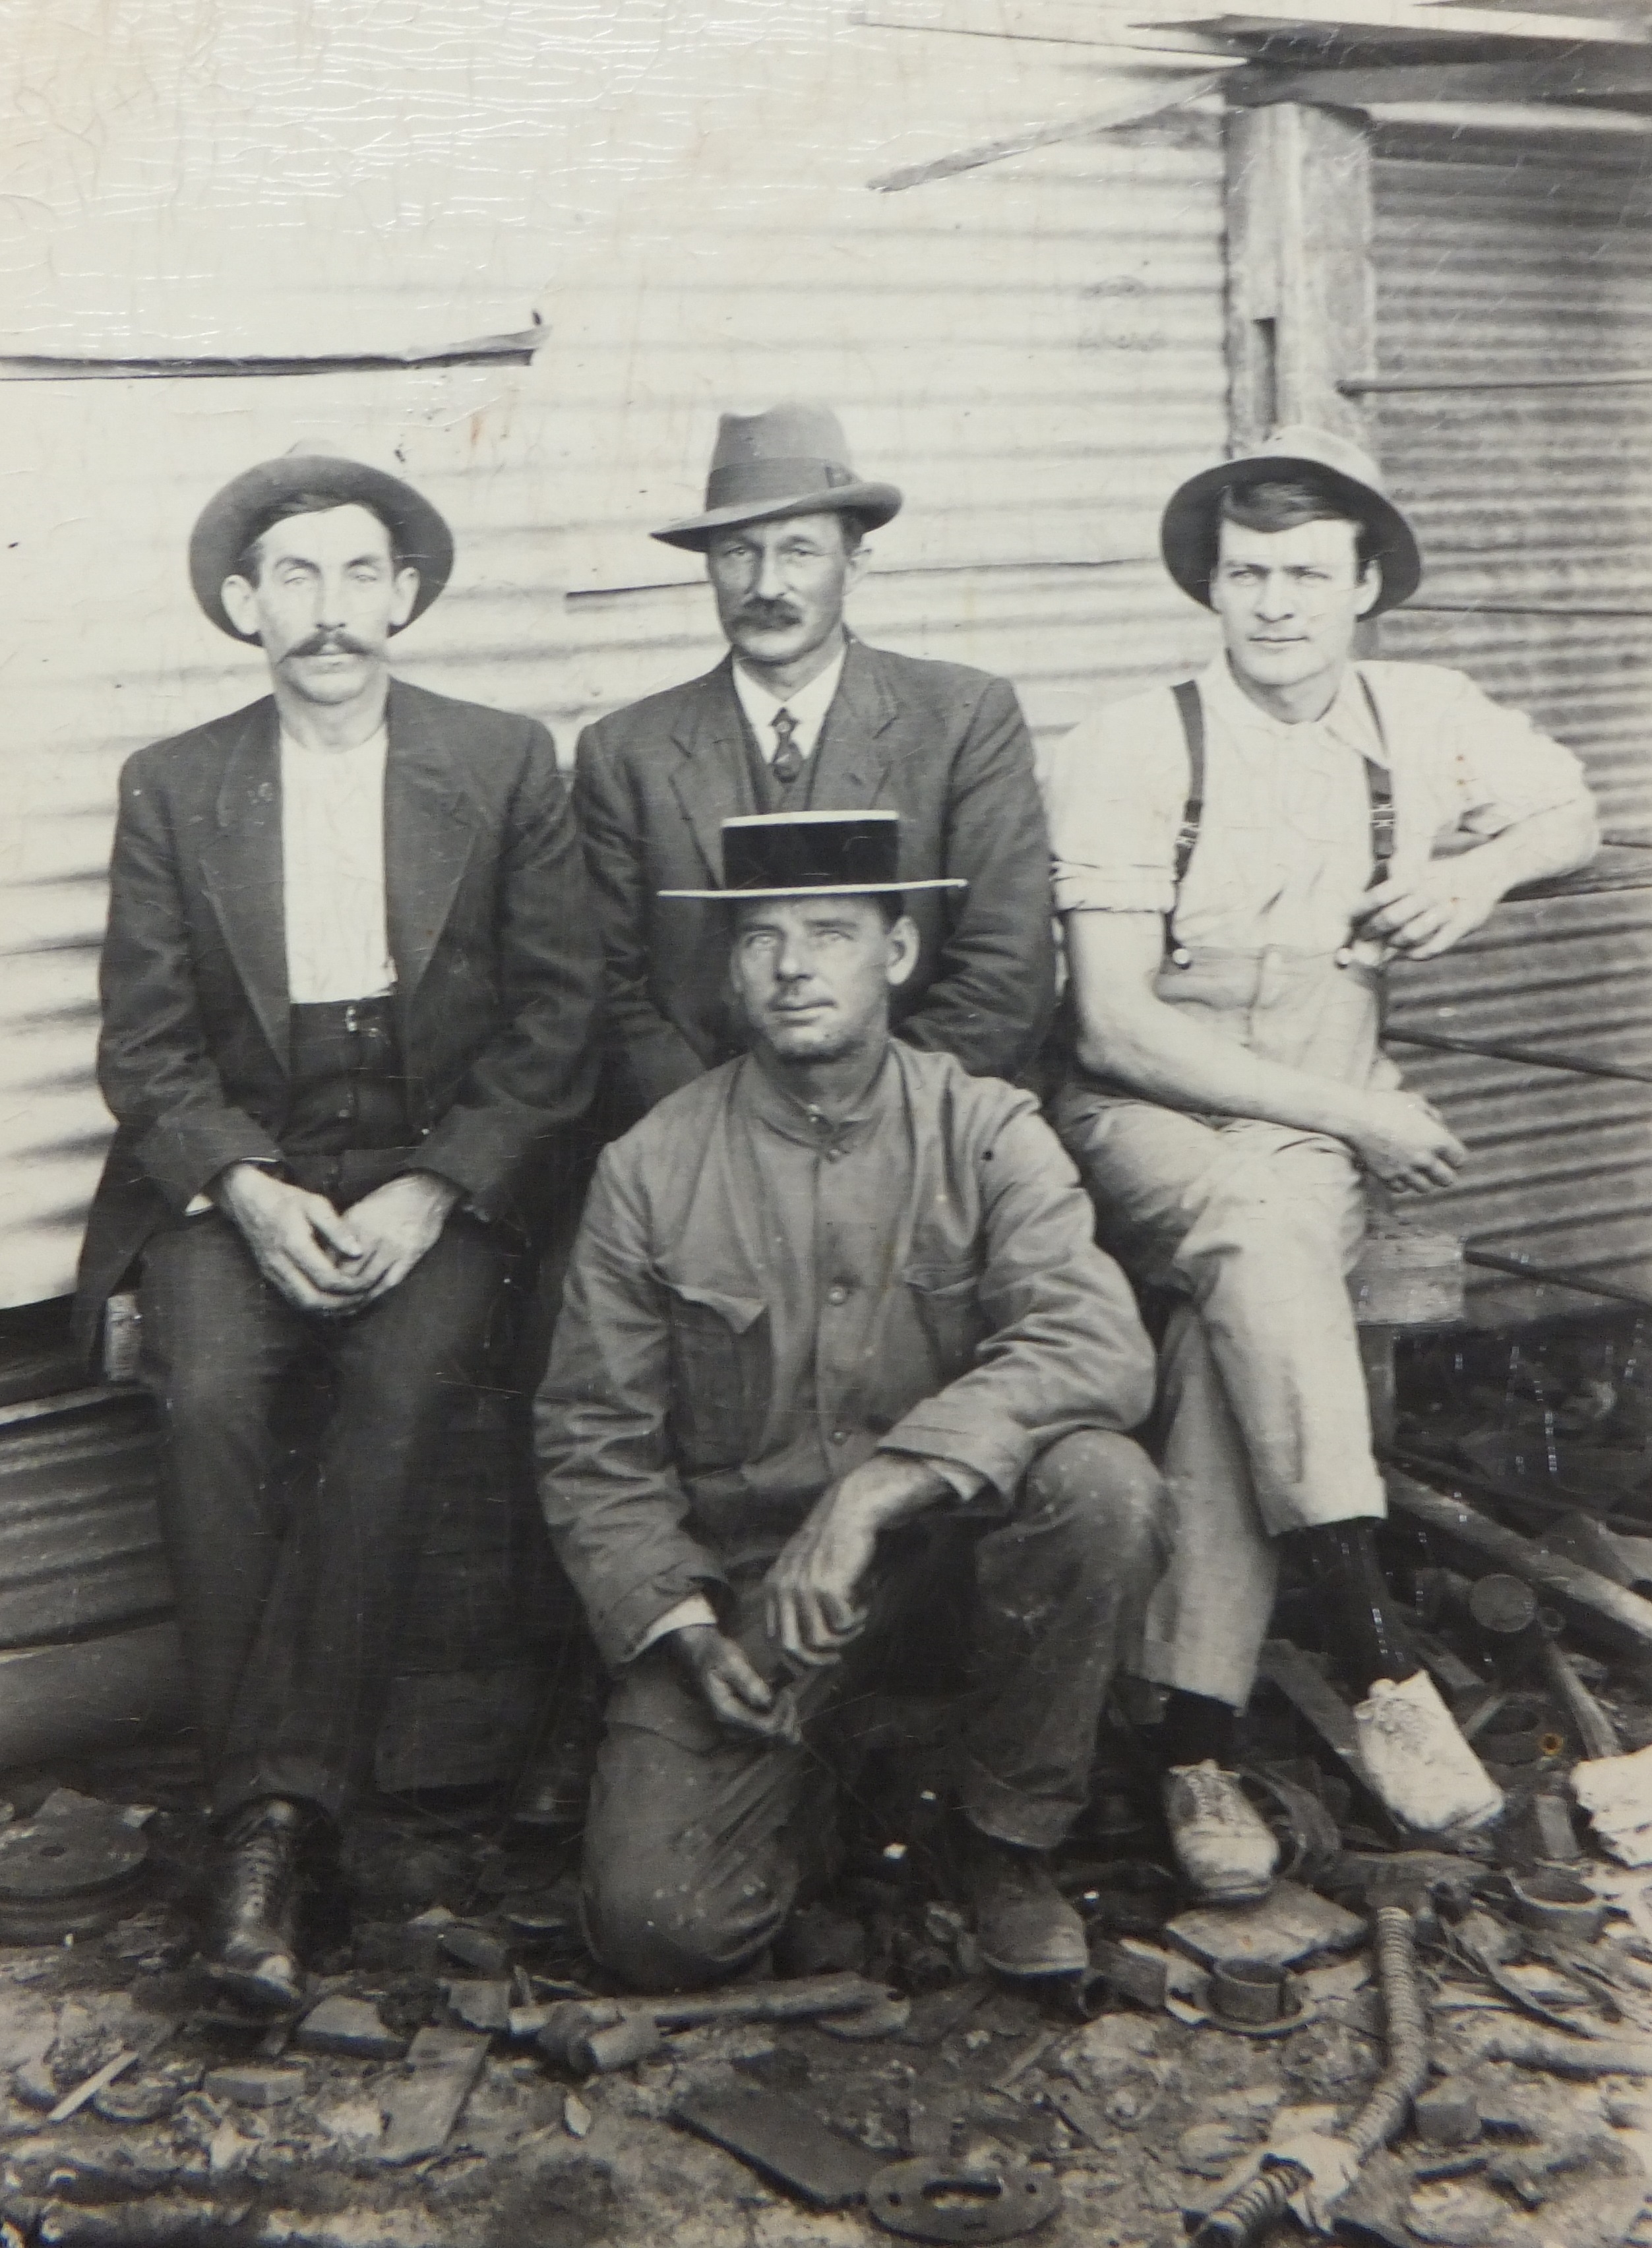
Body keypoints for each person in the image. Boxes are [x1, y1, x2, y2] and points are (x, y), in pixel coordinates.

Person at [74, 446, 600, 2008]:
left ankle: (263, 1831)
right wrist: (243, 1185)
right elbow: (145, 1049)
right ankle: (288, 1816)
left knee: (394, 1395)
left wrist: (440, 1188)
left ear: (408, 597)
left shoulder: (503, 762)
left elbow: (559, 1021)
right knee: (214, 1395)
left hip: (439, 1169)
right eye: (292, 578)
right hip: (244, 1168)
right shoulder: (175, 783)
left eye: (359, 575)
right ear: (243, 605)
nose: (328, 612)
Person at [1042, 426, 1599, 1897]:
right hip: (1154, 1114)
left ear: (1363, 587)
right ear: (1207, 591)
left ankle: (1191, 1752)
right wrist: (1359, 1119)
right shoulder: (1130, 742)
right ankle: (1372, 1652)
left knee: (1251, 1315)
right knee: (1251, 1228)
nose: (1272, 604)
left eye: (1302, 574)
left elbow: (1574, 810)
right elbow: (1109, 1025)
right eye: (1243, 575)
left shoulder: (1423, 715)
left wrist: (1470, 871)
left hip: (1311, 1130)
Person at [535, 810, 1163, 1989]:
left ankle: (1003, 1843)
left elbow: (1097, 1341)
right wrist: (676, 1626)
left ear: (900, 954)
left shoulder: (984, 1129)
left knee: (1101, 1484)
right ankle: (851, 1786)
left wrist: (880, 1485)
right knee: (658, 1926)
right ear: (730, 968)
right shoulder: (651, 1167)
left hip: (958, 1563)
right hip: (758, 1595)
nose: (793, 964)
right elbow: (591, 1441)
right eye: (762, 937)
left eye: (831, 932)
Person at [574, 401, 1056, 1131]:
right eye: (739, 552)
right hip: (704, 1136)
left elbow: (1006, 973)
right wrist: (728, 1134)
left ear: (853, 565)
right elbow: (610, 991)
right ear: (709, 569)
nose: (767, 585)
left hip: (918, 1126)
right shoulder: (625, 751)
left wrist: (862, 1122)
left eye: (799, 551)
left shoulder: (962, 718)